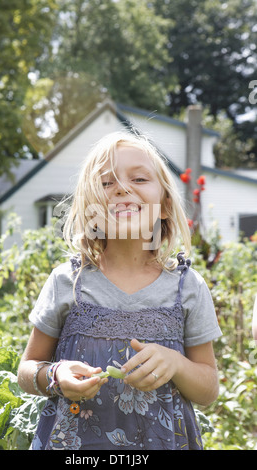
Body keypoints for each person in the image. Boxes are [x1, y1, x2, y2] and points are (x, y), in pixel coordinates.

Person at [17, 131, 222, 450]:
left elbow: (208, 389)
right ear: (90, 208)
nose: (123, 188)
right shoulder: (67, 282)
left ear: (165, 205)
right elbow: (27, 370)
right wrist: (56, 375)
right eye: (106, 183)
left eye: (139, 179)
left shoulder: (188, 287)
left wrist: (177, 364)